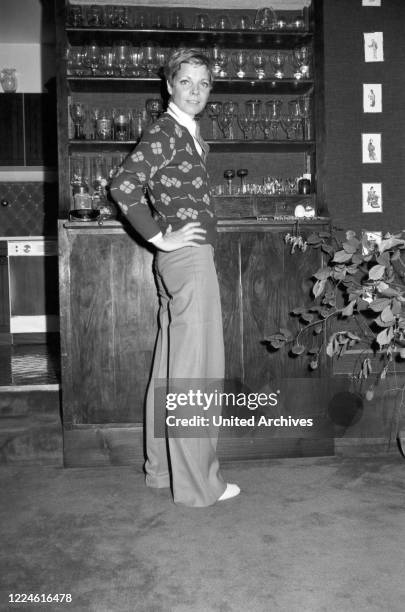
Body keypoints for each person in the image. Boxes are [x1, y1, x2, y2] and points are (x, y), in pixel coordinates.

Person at [110, 49, 240, 507]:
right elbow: (123, 185)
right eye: (187, 82)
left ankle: (162, 471)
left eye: (204, 84)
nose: (196, 91)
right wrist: (161, 237)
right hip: (186, 259)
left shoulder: (184, 132)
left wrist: (165, 242)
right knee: (197, 371)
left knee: (171, 370)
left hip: (179, 262)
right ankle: (199, 485)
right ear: (169, 84)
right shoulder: (166, 131)